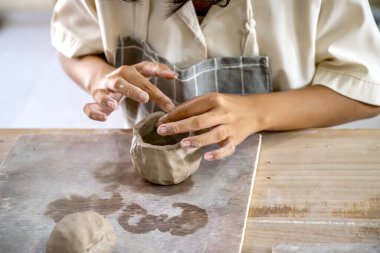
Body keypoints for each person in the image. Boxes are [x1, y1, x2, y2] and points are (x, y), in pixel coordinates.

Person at [52, 0, 380, 160]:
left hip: (282, 163)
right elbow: (73, 44)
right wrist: (99, 78)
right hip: (143, 174)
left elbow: (366, 88)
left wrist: (257, 112)